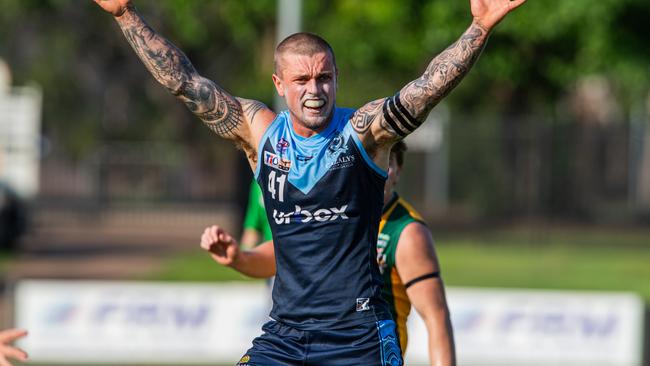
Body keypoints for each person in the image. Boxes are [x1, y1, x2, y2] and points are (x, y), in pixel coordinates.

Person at [94, 0, 525, 363]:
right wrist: (125, 14)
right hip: (285, 334)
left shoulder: (363, 132)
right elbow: (186, 82)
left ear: (337, 79)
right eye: (301, 80)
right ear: (280, 84)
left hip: (358, 338)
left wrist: (479, 29)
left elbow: (425, 90)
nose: (314, 89)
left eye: (324, 77)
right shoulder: (258, 132)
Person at [201, 141, 456, 365]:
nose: (380, 172)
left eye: (387, 163)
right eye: (371, 161)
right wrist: (239, 258)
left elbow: (436, 317)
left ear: (399, 170)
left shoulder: (406, 233)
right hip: (306, 347)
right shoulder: (333, 209)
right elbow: (280, 258)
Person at [240, 181, 273, 250]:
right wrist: (241, 257)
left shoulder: (299, 180)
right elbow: (253, 229)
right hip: (273, 256)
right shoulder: (259, 182)